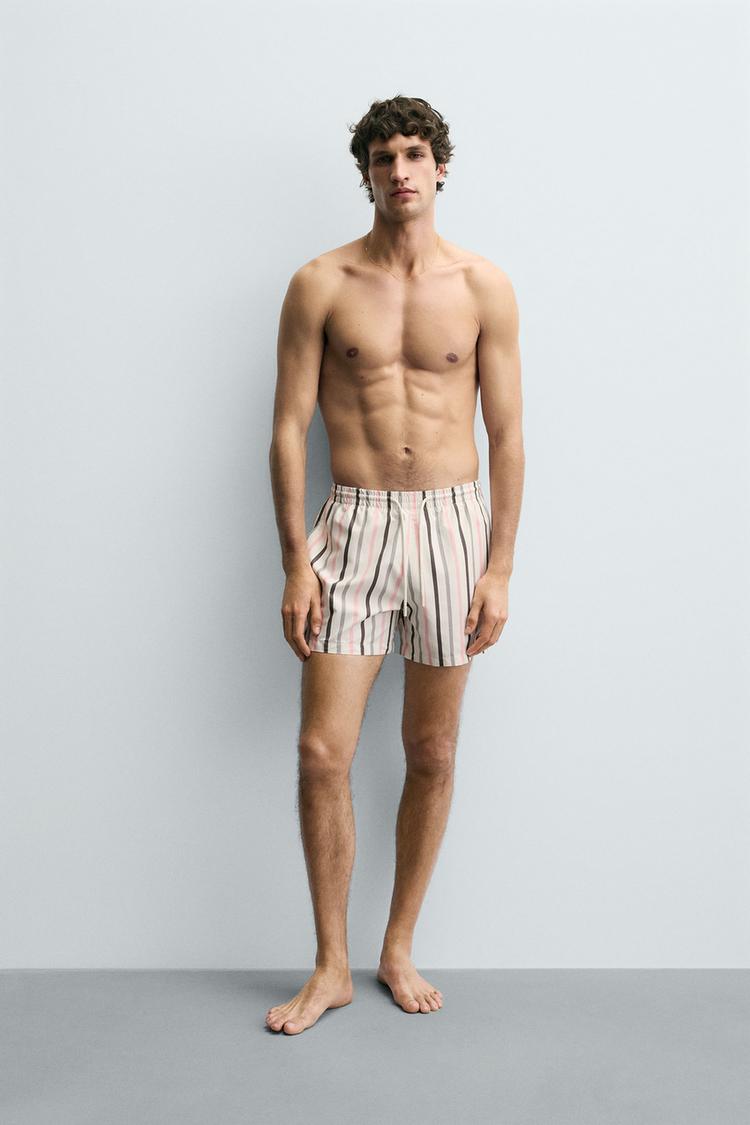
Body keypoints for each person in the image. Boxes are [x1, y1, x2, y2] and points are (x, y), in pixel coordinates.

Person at [266, 95, 524, 1034]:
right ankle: (331, 964)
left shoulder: (483, 284)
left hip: (452, 525)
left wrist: (499, 568)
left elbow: (508, 434)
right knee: (320, 752)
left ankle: (398, 946)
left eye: (415, 153)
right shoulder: (320, 282)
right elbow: (288, 430)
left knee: (433, 750)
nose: (400, 170)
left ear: (440, 166)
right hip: (355, 524)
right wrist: (296, 562)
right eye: (384, 157)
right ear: (367, 174)